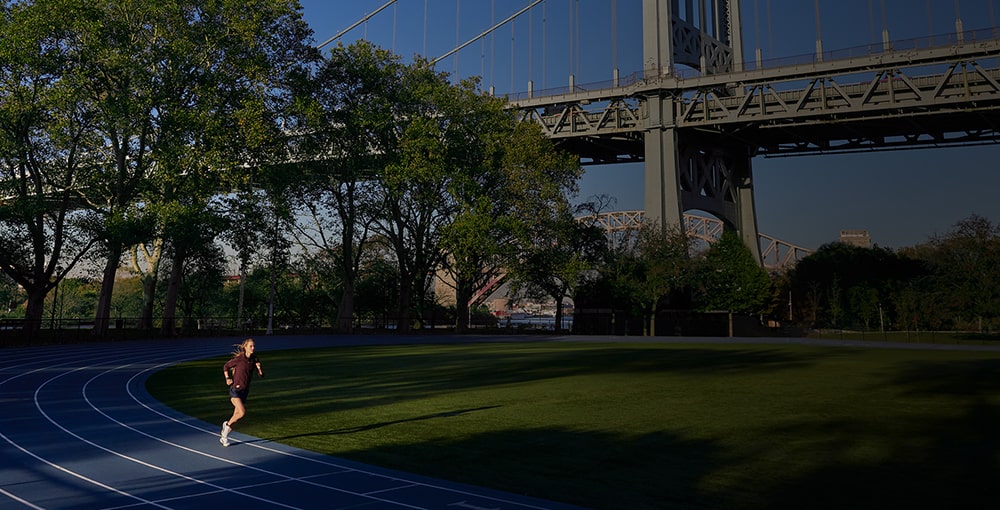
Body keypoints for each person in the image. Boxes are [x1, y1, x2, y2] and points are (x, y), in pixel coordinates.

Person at [220, 338, 264, 447]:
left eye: (254, 346)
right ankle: (225, 431)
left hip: (245, 391)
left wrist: (259, 369)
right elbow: (226, 366)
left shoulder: (254, 359)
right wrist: (227, 378)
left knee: (236, 415)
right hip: (235, 390)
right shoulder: (240, 359)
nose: (253, 348)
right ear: (245, 347)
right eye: (251, 346)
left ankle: (225, 432)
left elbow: (261, 375)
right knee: (242, 412)